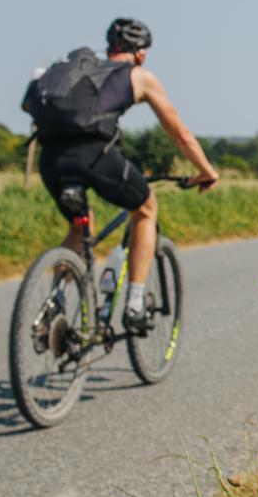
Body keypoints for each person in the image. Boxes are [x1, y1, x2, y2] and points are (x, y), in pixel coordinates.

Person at [36, 18, 218, 332]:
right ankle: (134, 304)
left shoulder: (79, 71)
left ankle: (56, 299)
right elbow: (180, 135)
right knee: (145, 210)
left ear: (110, 46)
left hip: (50, 157)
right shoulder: (139, 76)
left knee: (80, 227)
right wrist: (206, 171)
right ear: (142, 53)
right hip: (95, 156)